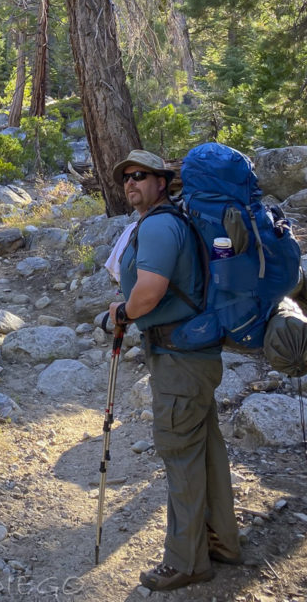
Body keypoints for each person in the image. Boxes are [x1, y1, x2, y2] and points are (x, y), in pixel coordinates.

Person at [107, 149, 241, 593]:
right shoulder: (169, 221)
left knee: (180, 455)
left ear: (162, 182)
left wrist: (122, 313)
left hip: (180, 360)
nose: (131, 183)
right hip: (195, 354)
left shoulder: (161, 225)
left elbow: (150, 290)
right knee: (205, 451)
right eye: (126, 177)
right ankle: (221, 542)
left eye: (141, 176)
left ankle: (187, 561)